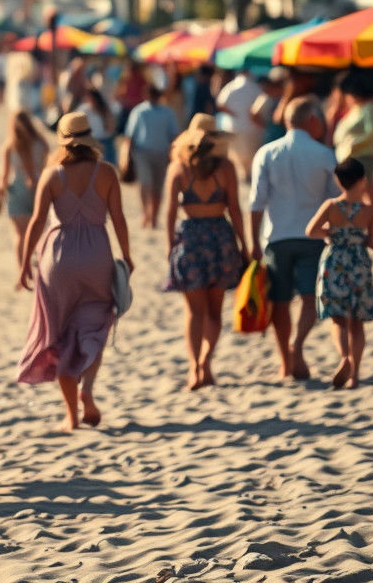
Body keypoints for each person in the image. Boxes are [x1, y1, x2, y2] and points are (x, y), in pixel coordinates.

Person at [17, 112, 132, 431]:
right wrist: (128, 255)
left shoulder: (53, 175)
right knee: (95, 326)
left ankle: (70, 415)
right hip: (97, 254)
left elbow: (37, 221)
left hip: (59, 258)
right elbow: (119, 219)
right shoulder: (106, 173)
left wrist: (25, 261)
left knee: (62, 333)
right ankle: (88, 391)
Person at [249, 96, 339, 381]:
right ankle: (297, 345)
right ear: (312, 120)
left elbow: (256, 203)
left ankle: (285, 361)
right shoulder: (324, 154)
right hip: (314, 236)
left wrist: (252, 242)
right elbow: (335, 200)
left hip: (276, 237)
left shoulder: (267, 152)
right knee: (310, 299)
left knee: (280, 300)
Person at [164, 124, 247, 390]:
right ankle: (205, 362)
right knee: (214, 311)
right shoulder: (225, 169)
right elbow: (234, 208)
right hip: (219, 237)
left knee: (193, 311)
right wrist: (244, 244)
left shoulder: (179, 168)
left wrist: (170, 247)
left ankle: (193, 367)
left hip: (190, 239)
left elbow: (168, 213)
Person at [307, 157, 373, 389]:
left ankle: (344, 358)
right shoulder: (369, 210)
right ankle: (355, 374)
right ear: (362, 180)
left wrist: (330, 232)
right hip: (358, 263)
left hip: (335, 263)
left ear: (338, 182)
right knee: (357, 322)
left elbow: (311, 231)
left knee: (338, 319)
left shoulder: (331, 206)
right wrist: (360, 237)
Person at [124, 85, 179, 229]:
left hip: (161, 153)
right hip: (143, 153)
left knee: (157, 187)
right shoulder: (140, 111)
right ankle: (146, 212)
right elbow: (130, 135)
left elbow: (174, 135)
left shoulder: (167, 112)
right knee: (145, 183)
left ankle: (153, 216)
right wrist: (126, 156)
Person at [0, 110, 49, 268]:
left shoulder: (9, 146)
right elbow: (49, 167)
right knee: (39, 233)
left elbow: (4, 177)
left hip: (17, 191)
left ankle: (23, 271)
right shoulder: (41, 142)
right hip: (40, 189)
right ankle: (40, 266)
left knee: (20, 235)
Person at [331, 79, 373, 206]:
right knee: (355, 192)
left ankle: (370, 219)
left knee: (366, 190)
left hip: (363, 156)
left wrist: (354, 143)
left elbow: (372, 132)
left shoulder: (369, 107)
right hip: (350, 157)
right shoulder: (354, 109)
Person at [216, 69, 263, 181]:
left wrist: (234, 113)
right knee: (251, 153)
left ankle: (244, 175)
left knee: (238, 154)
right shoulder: (255, 87)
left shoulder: (231, 86)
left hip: (234, 126)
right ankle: (248, 175)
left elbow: (220, 104)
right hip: (252, 128)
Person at [78, 88, 117, 166]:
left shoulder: (106, 109)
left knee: (110, 166)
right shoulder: (84, 110)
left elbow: (112, 127)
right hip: (93, 142)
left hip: (107, 141)